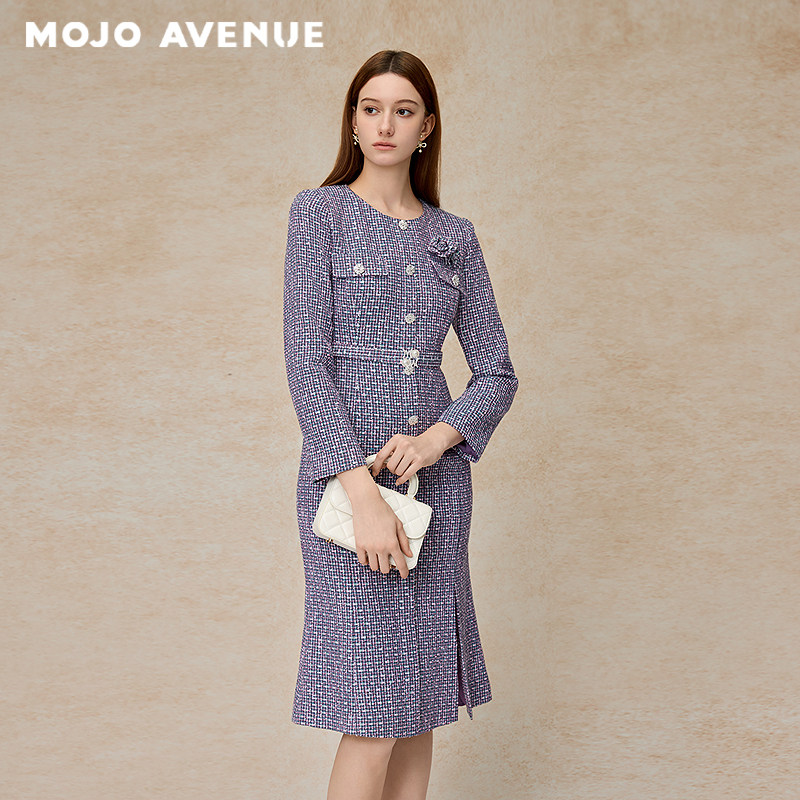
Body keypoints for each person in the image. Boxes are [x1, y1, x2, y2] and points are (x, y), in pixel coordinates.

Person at [282, 49, 519, 800]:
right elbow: (306, 362)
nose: (386, 123)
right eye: (372, 107)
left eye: (404, 110)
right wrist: (362, 495)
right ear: (353, 122)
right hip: (347, 490)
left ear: (427, 127)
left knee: (418, 705)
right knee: (373, 708)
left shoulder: (455, 236)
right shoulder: (318, 214)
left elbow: (498, 372)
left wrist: (438, 438)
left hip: (436, 490)